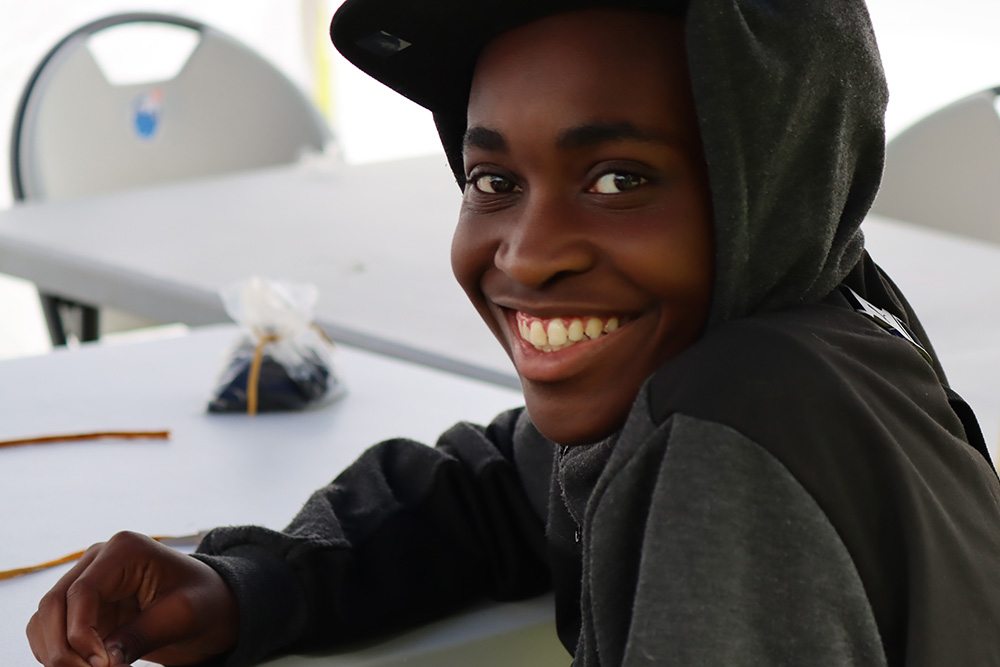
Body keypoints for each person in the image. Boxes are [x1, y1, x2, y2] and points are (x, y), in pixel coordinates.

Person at [27, 0, 1000, 665]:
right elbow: (502, 486)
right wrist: (248, 582)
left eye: (618, 178)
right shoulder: (825, 326)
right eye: (492, 181)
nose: (529, 256)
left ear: (777, 188)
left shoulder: (727, 445)